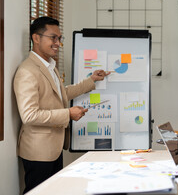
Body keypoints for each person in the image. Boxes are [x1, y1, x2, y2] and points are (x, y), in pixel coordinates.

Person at [13, 16, 110, 194]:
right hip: (38, 152)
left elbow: (60, 93)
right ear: (36, 38)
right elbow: (29, 115)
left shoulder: (49, 66)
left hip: (54, 148)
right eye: (53, 38)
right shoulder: (27, 71)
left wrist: (91, 81)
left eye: (59, 38)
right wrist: (68, 114)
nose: (58, 43)